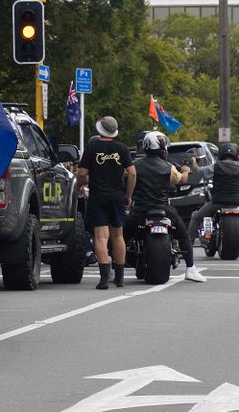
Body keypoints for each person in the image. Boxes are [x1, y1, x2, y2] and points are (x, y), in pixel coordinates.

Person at [128, 131, 206, 283]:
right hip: (163, 208)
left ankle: (113, 268)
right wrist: (185, 169)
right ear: (162, 148)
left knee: (121, 236)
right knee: (183, 234)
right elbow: (182, 179)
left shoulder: (134, 167)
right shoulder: (168, 167)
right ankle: (190, 268)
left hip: (141, 209)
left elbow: (125, 177)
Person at [74, 115, 136, 289]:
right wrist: (129, 194)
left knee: (101, 237)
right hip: (117, 197)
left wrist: (78, 187)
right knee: (118, 236)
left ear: (99, 129)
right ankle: (120, 277)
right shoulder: (121, 148)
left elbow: (81, 173)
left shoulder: (92, 147)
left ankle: (103, 279)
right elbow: (132, 173)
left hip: (97, 197)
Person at [189, 142, 239, 243]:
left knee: (196, 218)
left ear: (221, 155)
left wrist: (193, 161)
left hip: (218, 202)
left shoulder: (215, 167)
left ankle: (188, 245)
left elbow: (197, 170)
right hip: (236, 202)